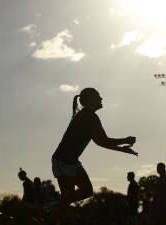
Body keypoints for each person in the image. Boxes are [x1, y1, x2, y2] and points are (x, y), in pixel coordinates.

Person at [51, 87, 137, 223]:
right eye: (98, 96)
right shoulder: (90, 117)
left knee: (81, 193)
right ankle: (53, 213)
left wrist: (123, 149)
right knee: (70, 197)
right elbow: (104, 141)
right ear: (91, 99)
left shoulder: (88, 116)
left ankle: (55, 210)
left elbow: (101, 142)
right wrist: (125, 140)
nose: (101, 99)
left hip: (69, 161)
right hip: (64, 161)